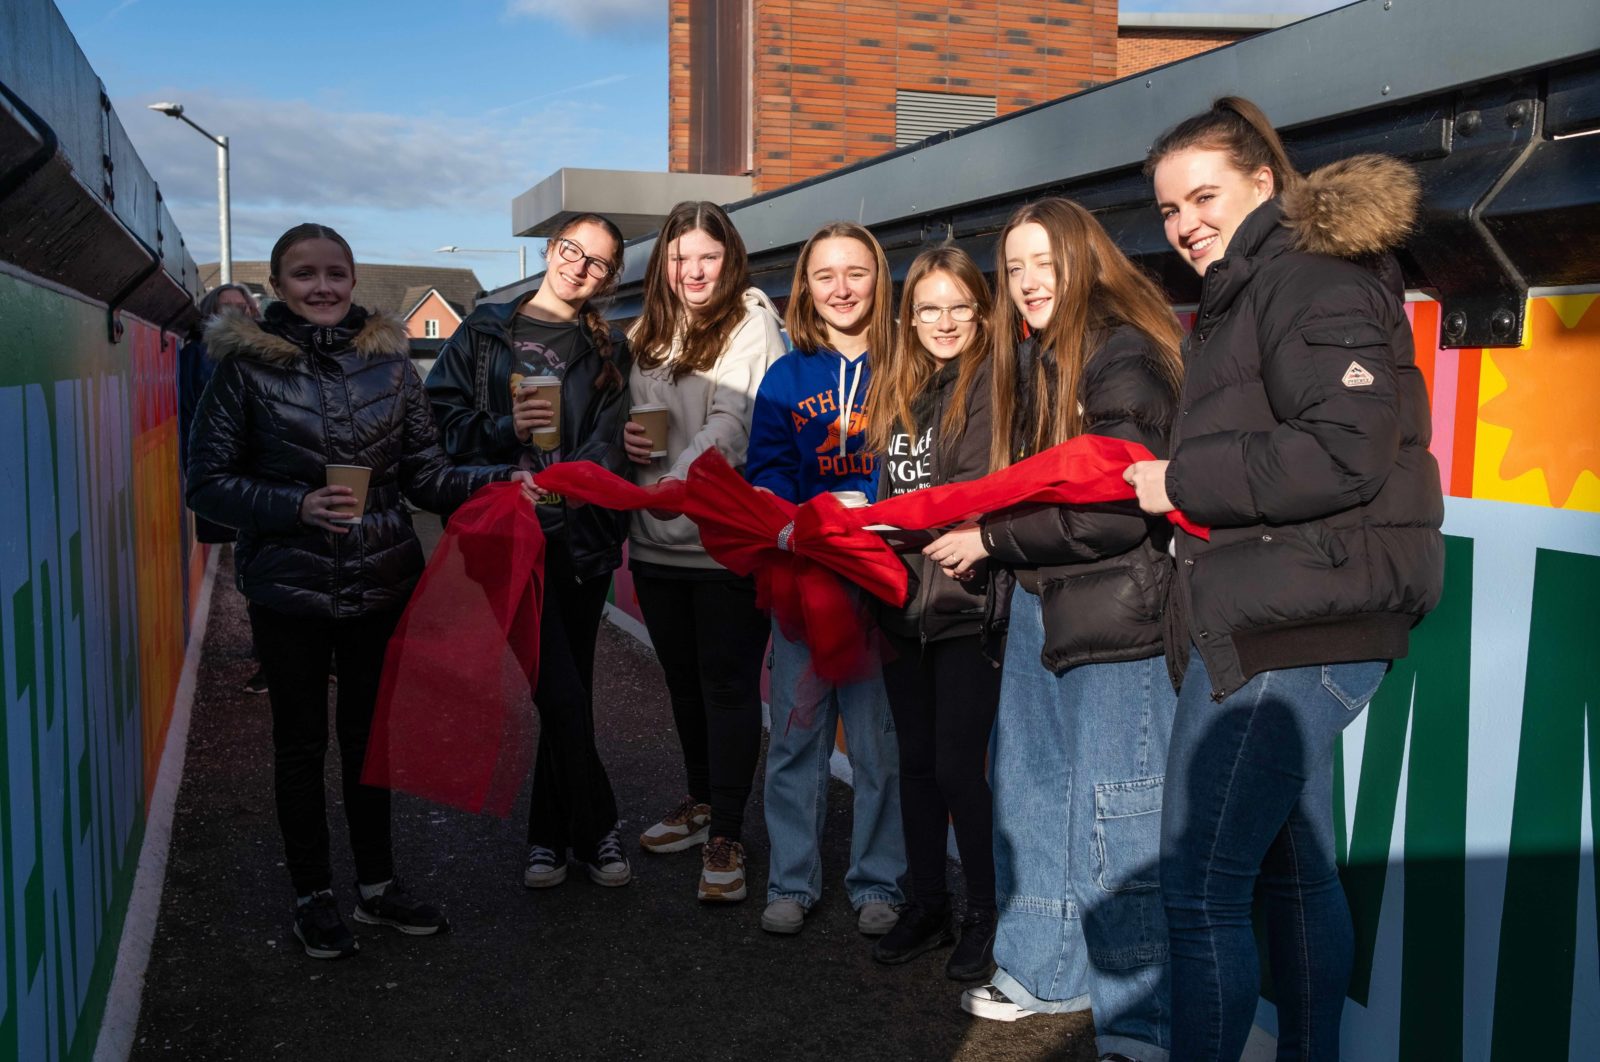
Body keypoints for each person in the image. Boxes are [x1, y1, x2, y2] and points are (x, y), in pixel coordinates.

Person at [1129, 97, 1442, 1062]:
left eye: (1204, 196)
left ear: (1265, 182)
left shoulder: (1307, 277)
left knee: (1199, 888)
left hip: (1297, 630)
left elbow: (1343, 451)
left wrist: (1178, 481)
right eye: (1170, 209)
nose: (1185, 224)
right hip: (1286, 619)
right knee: (1289, 877)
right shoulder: (1254, 290)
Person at [188, 223, 527, 959]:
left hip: (381, 584)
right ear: (277, 287)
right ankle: (313, 894)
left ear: (353, 282)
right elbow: (206, 487)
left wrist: (507, 480)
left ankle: (376, 889)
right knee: (300, 746)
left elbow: (428, 477)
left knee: (372, 745)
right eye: (304, 274)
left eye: (335, 273)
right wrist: (295, 506)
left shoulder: (394, 372)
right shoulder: (242, 372)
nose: (322, 287)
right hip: (289, 592)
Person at [934, 199, 1185, 1062]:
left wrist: (990, 538)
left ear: (1086, 260)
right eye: (1015, 267)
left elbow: (1115, 506)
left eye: (1045, 260)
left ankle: (1141, 1018)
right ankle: (1043, 969)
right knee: (1034, 793)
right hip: (1044, 599)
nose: (1030, 281)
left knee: (1120, 814)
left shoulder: (1126, 351)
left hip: (1119, 618)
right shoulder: (1037, 357)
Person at [425, 213, 636, 892]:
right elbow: (439, 429)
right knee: (560, 692)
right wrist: (503, 427)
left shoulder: (610, 349)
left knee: (567, 692)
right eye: (572, 251)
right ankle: (598, 828)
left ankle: (548, 839)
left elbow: (611, 439)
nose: (579, 266)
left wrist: (573, 487)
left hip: (580, 541)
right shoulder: (486, 333)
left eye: (598, 262)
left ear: (608, 279)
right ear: (550, 250)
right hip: (505, 539)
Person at [621, 201, 787, 903]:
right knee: (684, 685)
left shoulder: (752, 324)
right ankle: (697, 802)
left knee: (727, 688)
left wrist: (670, 483)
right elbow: (633, 424)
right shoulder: (646, 331)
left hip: (721, 542)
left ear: (731, 259)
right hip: (657, 545)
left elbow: (731, 426)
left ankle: (728, 831)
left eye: (707, 256)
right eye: (680, 256)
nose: (692, 270)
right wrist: (628, 450)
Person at [745, 221, 906, 938]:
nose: (841, 289)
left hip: (878, 579)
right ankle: (792, 879)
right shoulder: (788, 374)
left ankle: (879, 881)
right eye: (824, 275)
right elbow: (767, 470)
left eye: (856, 272)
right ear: (805, 288)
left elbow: (918, 460)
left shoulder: (909, 366)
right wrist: (805, 511)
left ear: (878, 278)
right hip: (805, 583)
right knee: (797, 738)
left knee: (878, 745)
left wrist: (875, 510)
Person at [862, 246, 1004, 979]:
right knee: (911, 765)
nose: (943, 323)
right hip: (900, 605)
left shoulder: (989, 384)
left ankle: (985, 912)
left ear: (981, 313)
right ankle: (928, 904)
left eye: (958, 307)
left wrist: (884, 522)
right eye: (927, 309)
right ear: (907, 316)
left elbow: (970, 495)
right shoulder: (900, 386)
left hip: (963, 608)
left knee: (956, 768)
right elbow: (896, 488)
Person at [178, 283, 268, 693]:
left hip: (266, 477)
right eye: (225, 307)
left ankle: (271, 652)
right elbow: (192, 418)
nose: (235, 313)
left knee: (265, 563)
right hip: (235, 478)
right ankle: (270, 653)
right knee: (253, 564)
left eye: (241, 306)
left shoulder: (266, 350)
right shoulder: (197, 356)